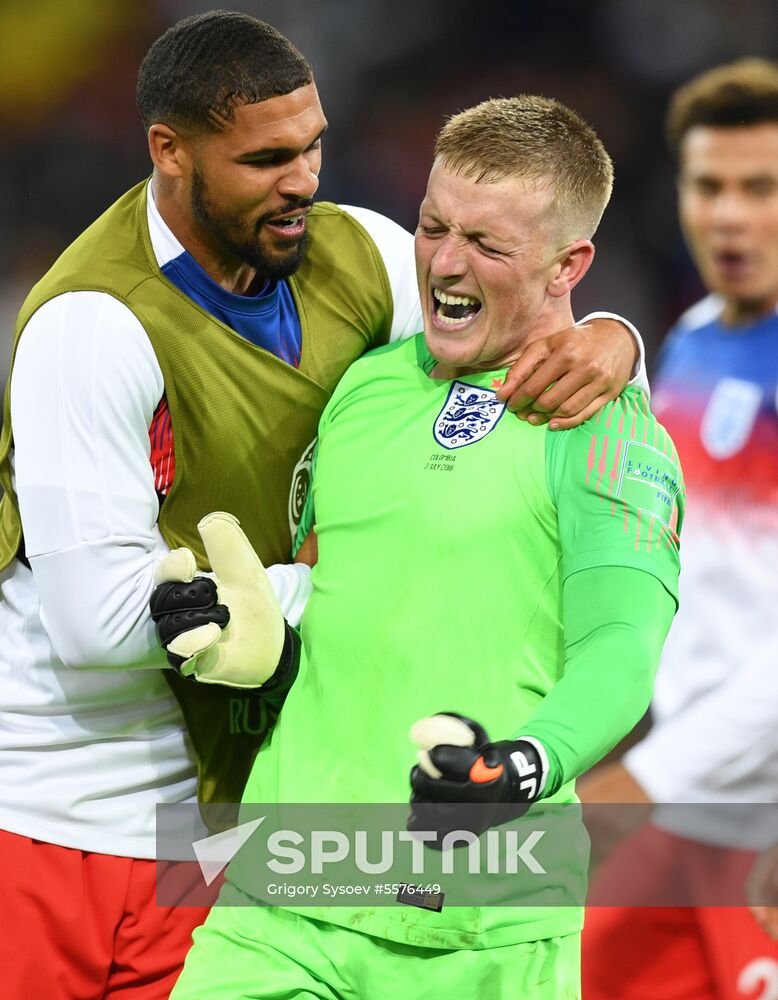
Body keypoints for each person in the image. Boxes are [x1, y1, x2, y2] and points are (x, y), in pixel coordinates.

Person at [0, 10, 649, 999]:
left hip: (245, 815)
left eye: (311, 148)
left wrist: (612, 339)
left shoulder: (367, 256)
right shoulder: (90, 328)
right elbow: (98, 629)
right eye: (265, 159)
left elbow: (504, 303)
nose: (302, 180)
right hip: (65, 802)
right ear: (169, 153)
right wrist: (318, 592)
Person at [162, 93, 684, 1000]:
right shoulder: (365, 386)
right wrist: (250, 638)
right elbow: (339, 589)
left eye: (487, 244)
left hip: (478, 931)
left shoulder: (607, 432)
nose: (445, 262)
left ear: (571, 264)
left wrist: (522, 765)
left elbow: (622, 652)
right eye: (434, 225)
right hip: (283, 902)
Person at [580, 59, 778, 1000]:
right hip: (694, 790)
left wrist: (649, 778)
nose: (729, 216)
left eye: (761, 188)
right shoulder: (693, 340)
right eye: (710, 186)